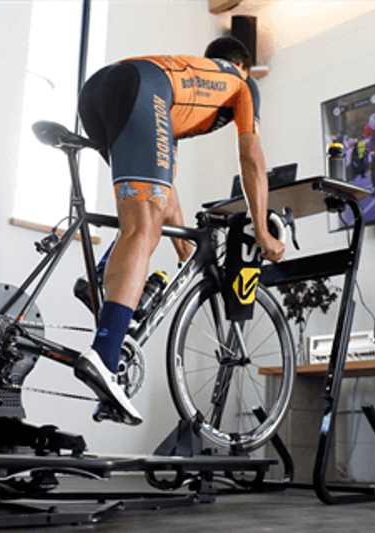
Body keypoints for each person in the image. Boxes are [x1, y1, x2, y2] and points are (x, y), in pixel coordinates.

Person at [73, 37, 285, 425]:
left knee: (144, 215)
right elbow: (251, 158)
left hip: (100, 91)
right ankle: (103, 356)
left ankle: (100, 282)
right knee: (143, 228)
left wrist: (184, 248)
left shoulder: (186, 85)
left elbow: (165, 191)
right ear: (241, 65)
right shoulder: (240, 82)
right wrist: (262, 230)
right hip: (140, 87)